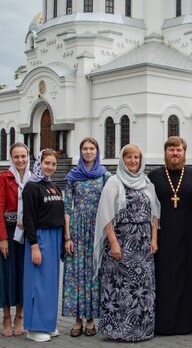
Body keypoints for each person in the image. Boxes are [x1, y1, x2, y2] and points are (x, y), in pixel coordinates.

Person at [94, 144, 160, 341]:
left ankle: (142, 330)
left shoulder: (146, 182)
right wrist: (113, 242)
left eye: (136, 158)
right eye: (129, 157)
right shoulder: (114, 182)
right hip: (121, 243)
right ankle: (118, 331)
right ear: (122, 160)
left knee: (142, 289)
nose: (133, 161)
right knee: (119, 288)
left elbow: (154, 214)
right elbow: (106, 215)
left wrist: (154, 239)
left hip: (143, 245)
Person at [149, 136, 192, 335]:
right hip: (163, 236)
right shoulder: (154, 176)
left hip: (189, 236)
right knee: (164, 277)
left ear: (184, 152)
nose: (175, 153)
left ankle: (189, 321)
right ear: (165, 152)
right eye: (171, 149)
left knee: (189, 276)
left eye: (179, 150)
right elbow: (149, 208)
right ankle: (162, 322)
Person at [62, 137, 109, 337]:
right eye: (84, 148)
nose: (88, 152)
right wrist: (67, 236)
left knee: (93, 273)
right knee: (76, 274)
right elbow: (67, 207)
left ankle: (91, 319)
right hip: (78, 229)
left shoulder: (104, 175)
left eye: (91, 148)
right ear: (80, 152)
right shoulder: (72, 176)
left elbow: (110, 204)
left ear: (97, 152)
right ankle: (77, 319)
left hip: (97, 228)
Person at [21, 149, 65, 342]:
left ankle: (48, 323)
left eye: (53, 164)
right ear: (39, 163)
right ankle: (34, 327)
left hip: (54, 238)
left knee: (50, 284)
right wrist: (34, 245)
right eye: (46, 163)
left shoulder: (53, 186)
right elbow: (28, 218)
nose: (50, 167)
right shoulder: (31, 186)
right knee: (37, 284)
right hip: (40, 238)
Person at [0, 142, 31, 337]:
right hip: (8, 232)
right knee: (7, 275)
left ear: (28, 156)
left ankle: (20, 316)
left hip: (26, 234)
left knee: (23, 275)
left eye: (23, 156)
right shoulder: (4, 177)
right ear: (11, 158)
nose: (20, 160)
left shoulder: (33, 178)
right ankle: (6, 317)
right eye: (16, 157)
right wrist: (2, 239)